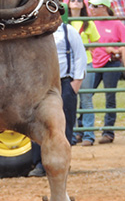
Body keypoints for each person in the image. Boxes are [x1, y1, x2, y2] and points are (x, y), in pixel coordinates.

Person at [29, 22, 86, 177]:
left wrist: (76, 82)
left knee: (65, 123)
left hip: (64, 82)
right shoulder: (36, 31)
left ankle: (62, 162)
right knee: (37, 123)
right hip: (40, 83)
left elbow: (80, 56)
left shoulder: (68, 31)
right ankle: (40, 163)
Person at [86, 0, 125, 145]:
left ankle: (108, 132)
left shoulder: (116, 23)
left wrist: (117, 50)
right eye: (91, 6)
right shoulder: (90, 22)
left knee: (109, 97)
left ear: (104, 8)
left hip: (111, 63)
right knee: (86, 95)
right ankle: (82, 129)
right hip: (93, 62)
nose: (91, 9)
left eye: (95, 6)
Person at [67, 0, 100, 146]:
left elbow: (96, 42)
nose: (76, 2)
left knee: (86, 100)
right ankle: (71, 134)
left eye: (79, 0)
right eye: (73, 0)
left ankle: (88, 135)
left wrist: (83, 50)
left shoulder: (88, 23)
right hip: (68, 65)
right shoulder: (64, 22)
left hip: (86, 63)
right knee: (69, 100)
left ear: (83, 4)